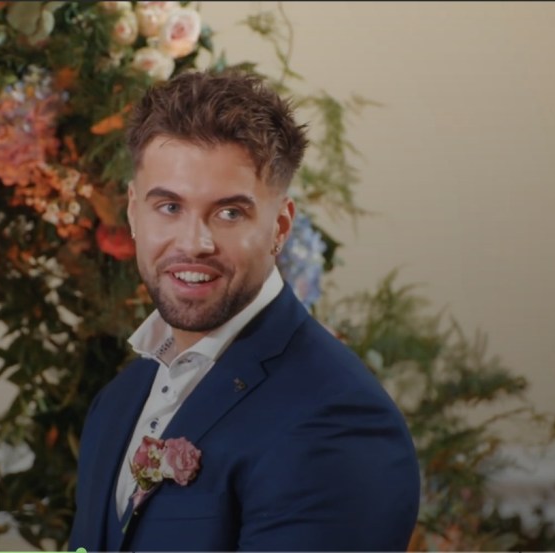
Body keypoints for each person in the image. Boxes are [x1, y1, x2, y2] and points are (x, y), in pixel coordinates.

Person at [69, 71, 420, 551]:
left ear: (280, 226)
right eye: (169, 207)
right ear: (133, 213)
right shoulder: (118, 401)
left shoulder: (336, 421)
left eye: (229, 213)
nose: (194, 243)